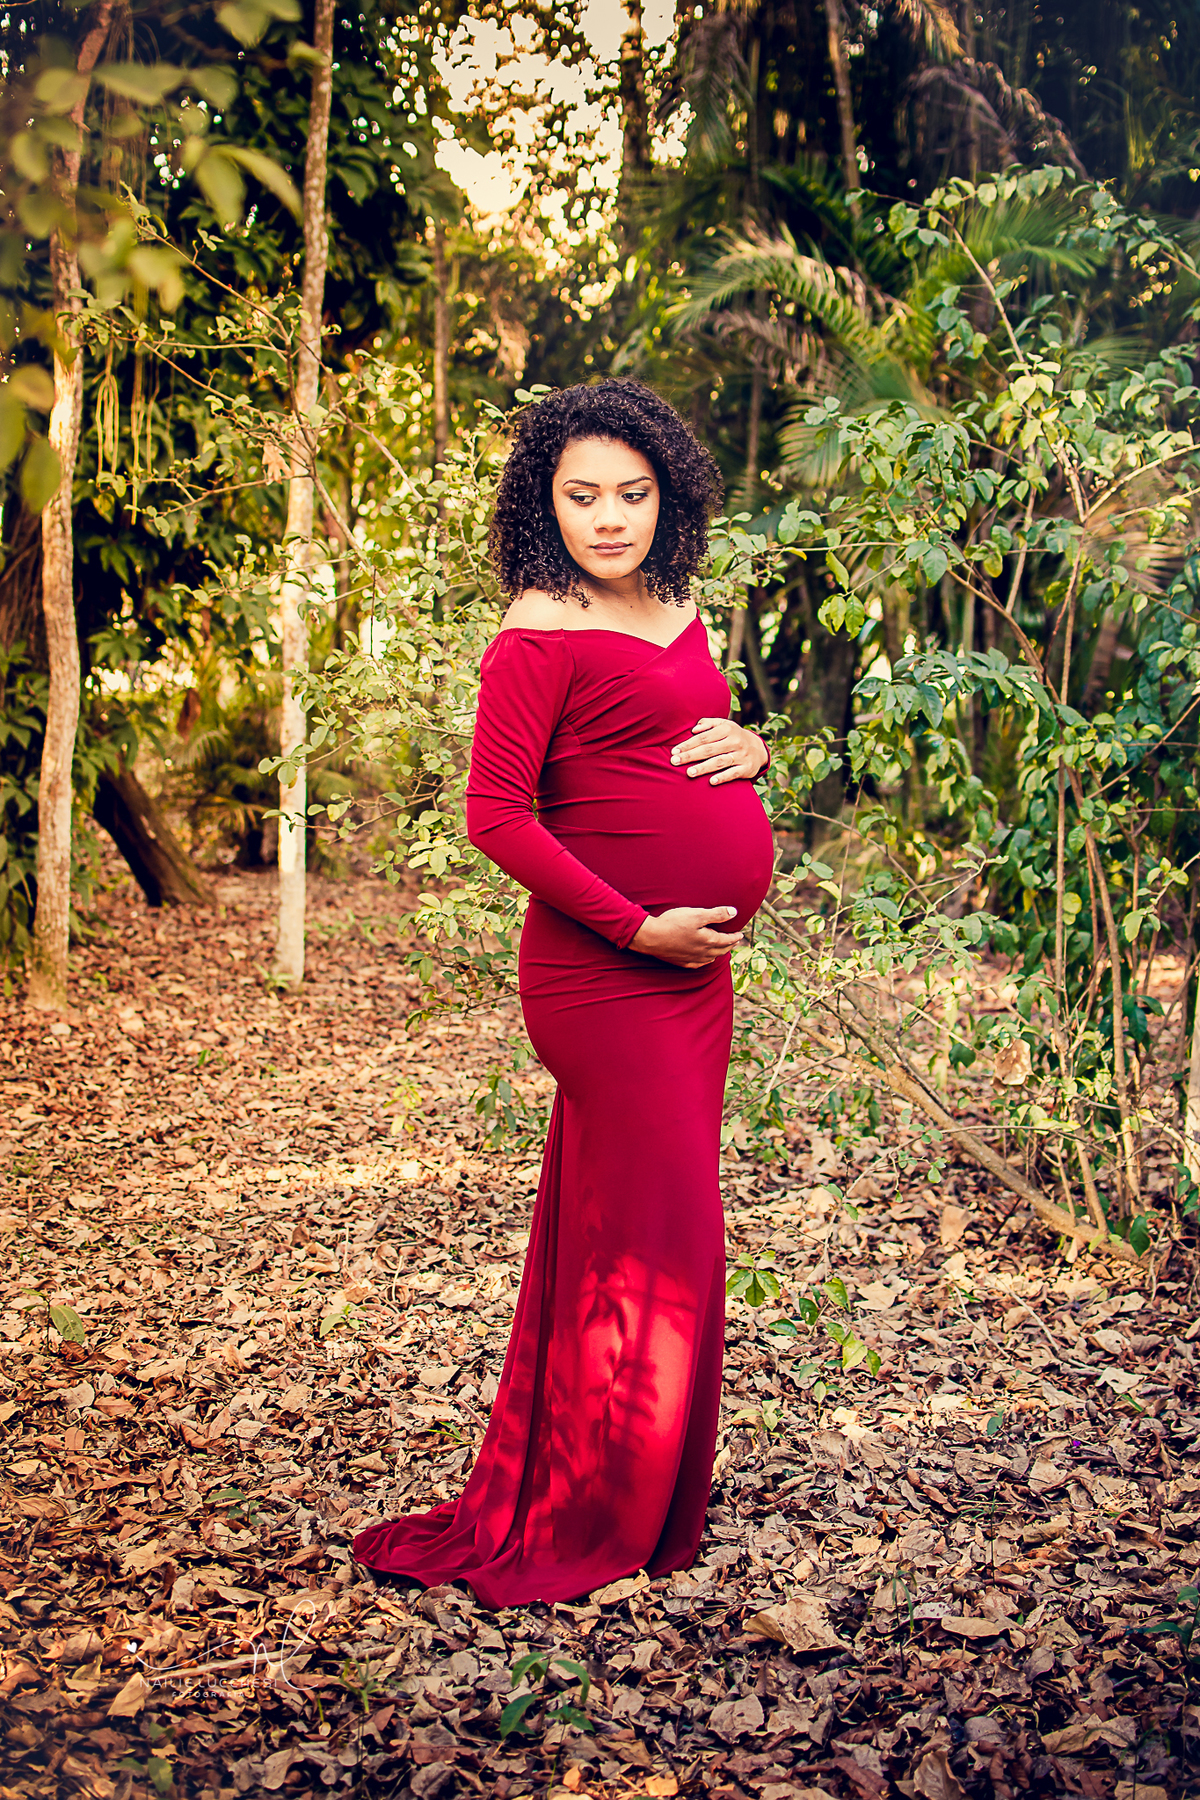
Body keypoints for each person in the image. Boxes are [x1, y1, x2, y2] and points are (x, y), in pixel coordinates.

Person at [353, 379, 774, 1608]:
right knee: (673, 1236)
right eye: (582, 495)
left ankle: (623, 1494)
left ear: (669, 497)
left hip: (696, 983)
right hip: (603, 977)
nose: (608, 519)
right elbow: (495, 815)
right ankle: (605, 1511)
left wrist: (755, 748)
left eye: (632, 495)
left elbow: (692, 740)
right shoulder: (535, 627)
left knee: (626, 1230)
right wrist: (638, 924)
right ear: (546, 498)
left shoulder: (680, 610)